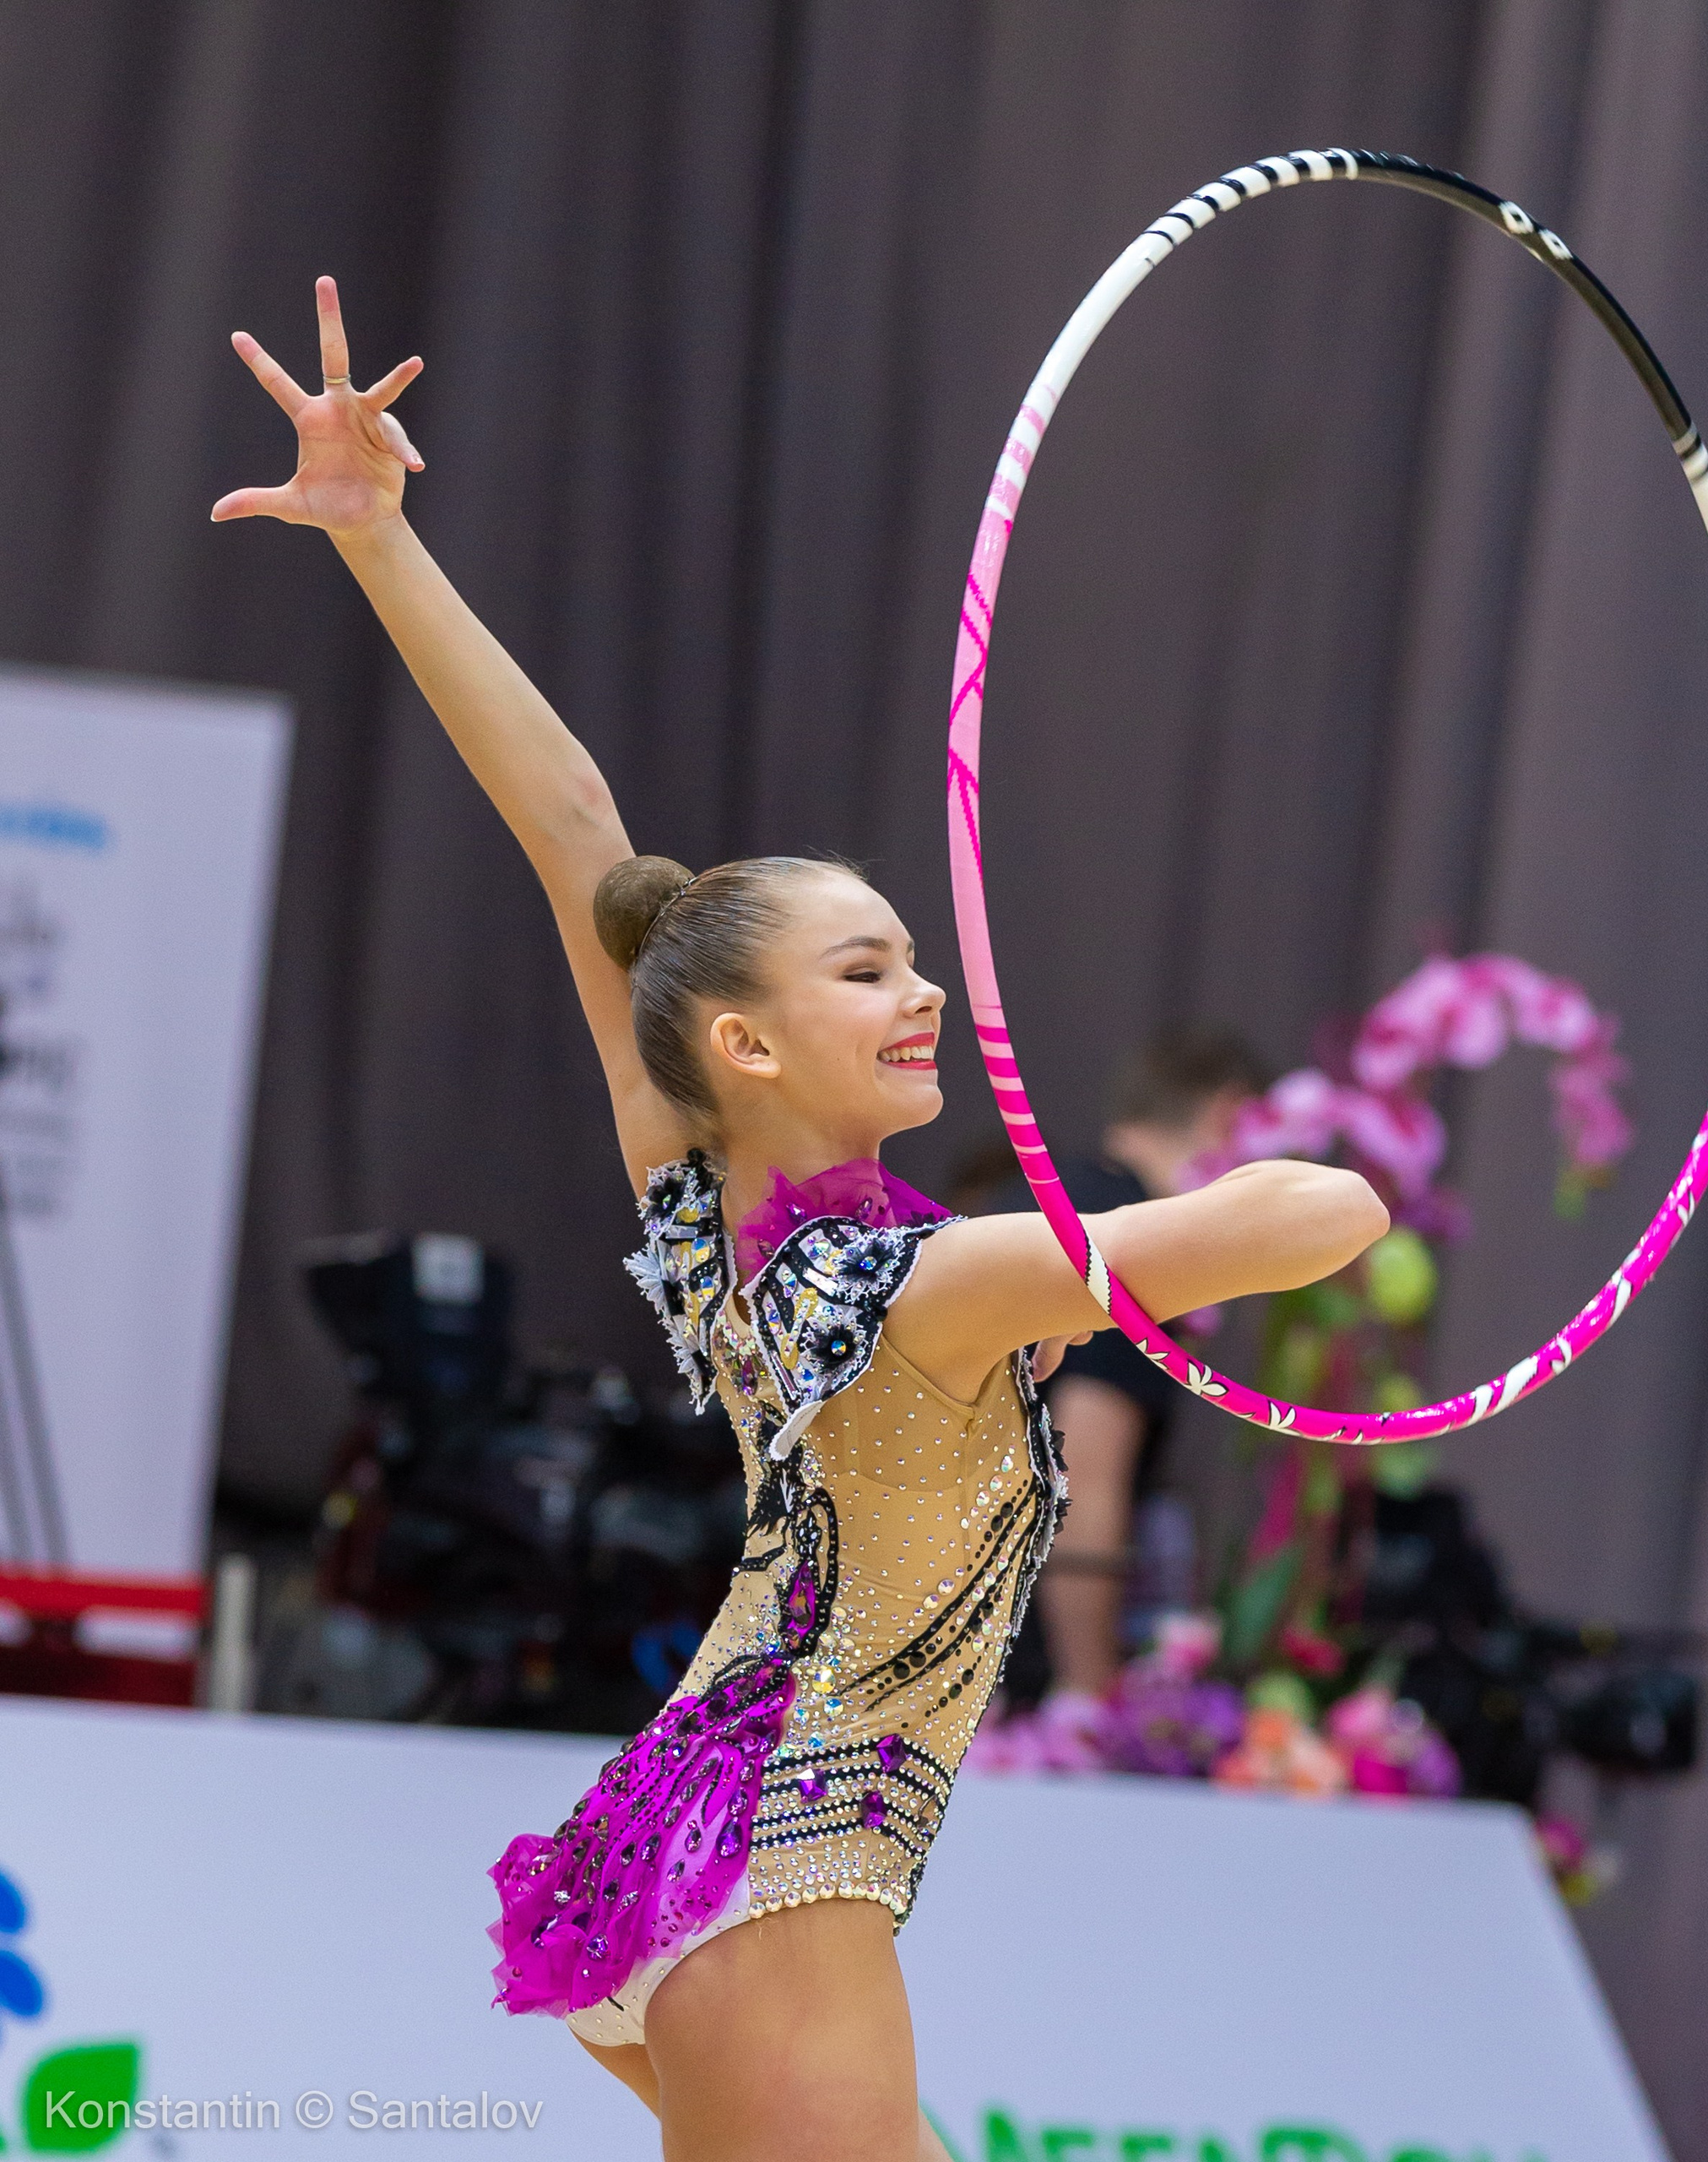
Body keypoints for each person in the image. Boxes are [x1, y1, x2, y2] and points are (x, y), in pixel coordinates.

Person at [214, 280, 1387, 2162]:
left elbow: (576, 825)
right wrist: (1214, 1200)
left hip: (696, 1840)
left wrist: (378, 534)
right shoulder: (936, 1280)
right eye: (869, 967)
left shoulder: (711, 1209)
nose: (919, 991)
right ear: (747, 1038)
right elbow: (1325, 1215)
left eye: (915, 957)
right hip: (784, 1854)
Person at [984, 1030, 1268, 1712]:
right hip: (997, 1674)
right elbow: (1082, 1477)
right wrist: (1086, 1693)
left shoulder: (1044, 1201)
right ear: (1231, 1117)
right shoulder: (1124, 1237)